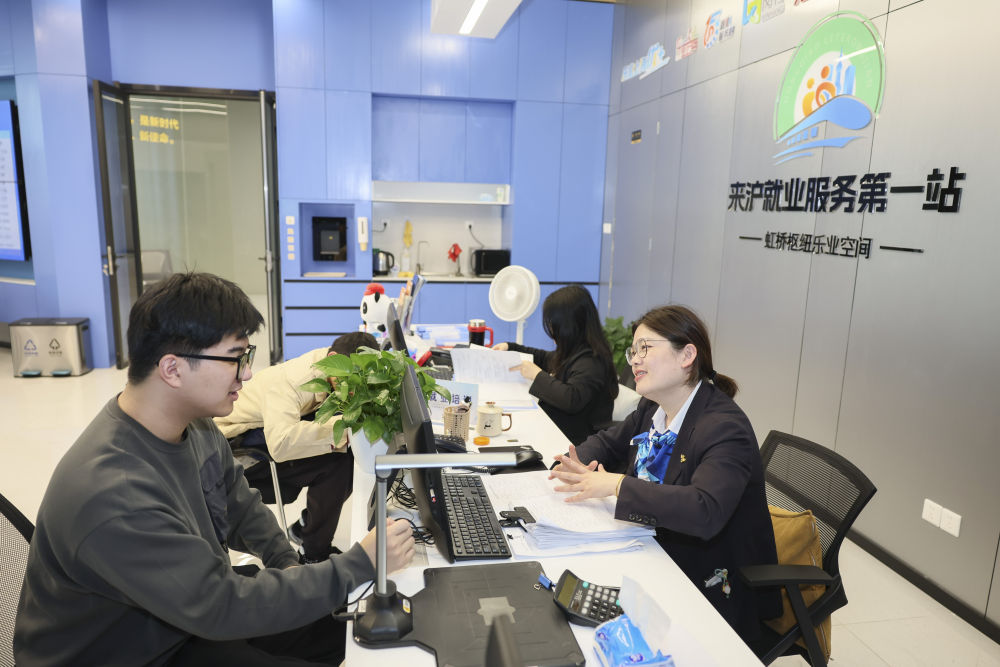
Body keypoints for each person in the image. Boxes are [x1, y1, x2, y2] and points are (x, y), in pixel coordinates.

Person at [14, 272, 415, 666]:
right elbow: (222, 606)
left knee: (346, 625)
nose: (248, 373)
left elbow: (240, 505)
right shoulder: (113, 491)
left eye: (246, 356)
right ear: (172, 369)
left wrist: (286, 562)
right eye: (235, 358)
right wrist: (359, 563)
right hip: (138, 650)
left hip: (182, 613)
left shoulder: (197, 425)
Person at [548, 305, 781, 645]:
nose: (634, 360)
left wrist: (616, 484)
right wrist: (570, 463)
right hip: (649, 548)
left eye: (645, 348)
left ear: (687, 355)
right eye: (633, 351)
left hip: (708, 580)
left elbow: (704, 509)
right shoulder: (654, 408)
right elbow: (608, 442)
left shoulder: (724, 427)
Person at [215, 331, 378, 563]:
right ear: (333, 358)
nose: (353, 389)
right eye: (351, 380)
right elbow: (280, 443)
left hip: (264, 430)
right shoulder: (293, 382)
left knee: (344, 447)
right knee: (339, 461)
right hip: (235, 449)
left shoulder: (332, 364)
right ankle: (314, 552)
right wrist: (341, 429)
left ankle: (305, 528)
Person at [494, 285, 619, 444]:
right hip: (556, 431)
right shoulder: (575, 351)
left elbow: (571, 399)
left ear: (569, 325)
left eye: (554, 325)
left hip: (578, 442)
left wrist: (537, 375)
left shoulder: (593, 361)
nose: (551, 330)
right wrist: (510, 347)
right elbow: (545, 358)